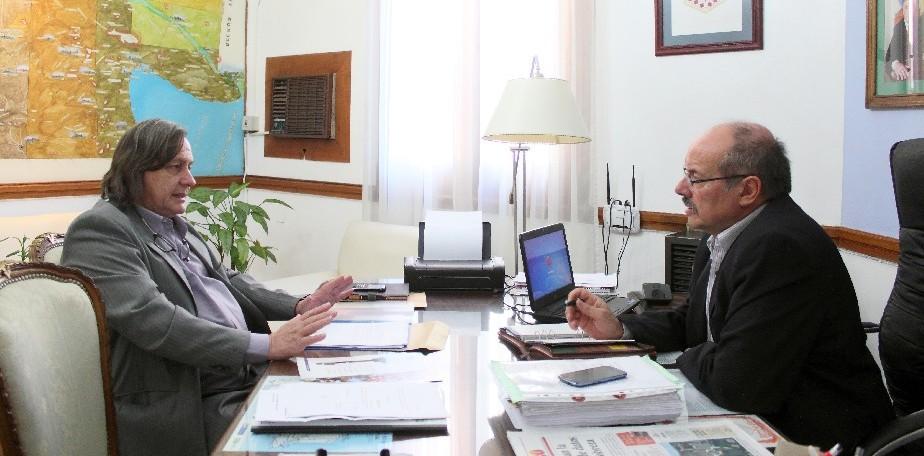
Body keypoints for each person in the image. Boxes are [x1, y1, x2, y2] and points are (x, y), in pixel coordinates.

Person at [565, 122, 893, 451]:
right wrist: (619, 327)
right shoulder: (721, 237)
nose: (680, 188)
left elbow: (738, 384)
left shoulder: (779, 247)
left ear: (747, 190)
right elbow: (692, 321)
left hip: (818, 437)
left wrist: (689, 354)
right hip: (758, 415)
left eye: (695, 178)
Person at [61, 119, 353, 455]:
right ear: (137, 170)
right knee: (324, 441)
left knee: (347, 405)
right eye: (176, 167)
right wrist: (267, 345)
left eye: (189, 166)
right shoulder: (101, 229)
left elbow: (227, 279)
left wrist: (298, 305)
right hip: (194, 400)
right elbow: (153, 319)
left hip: (243, 375)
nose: (191, 180)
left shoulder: (173, 222)